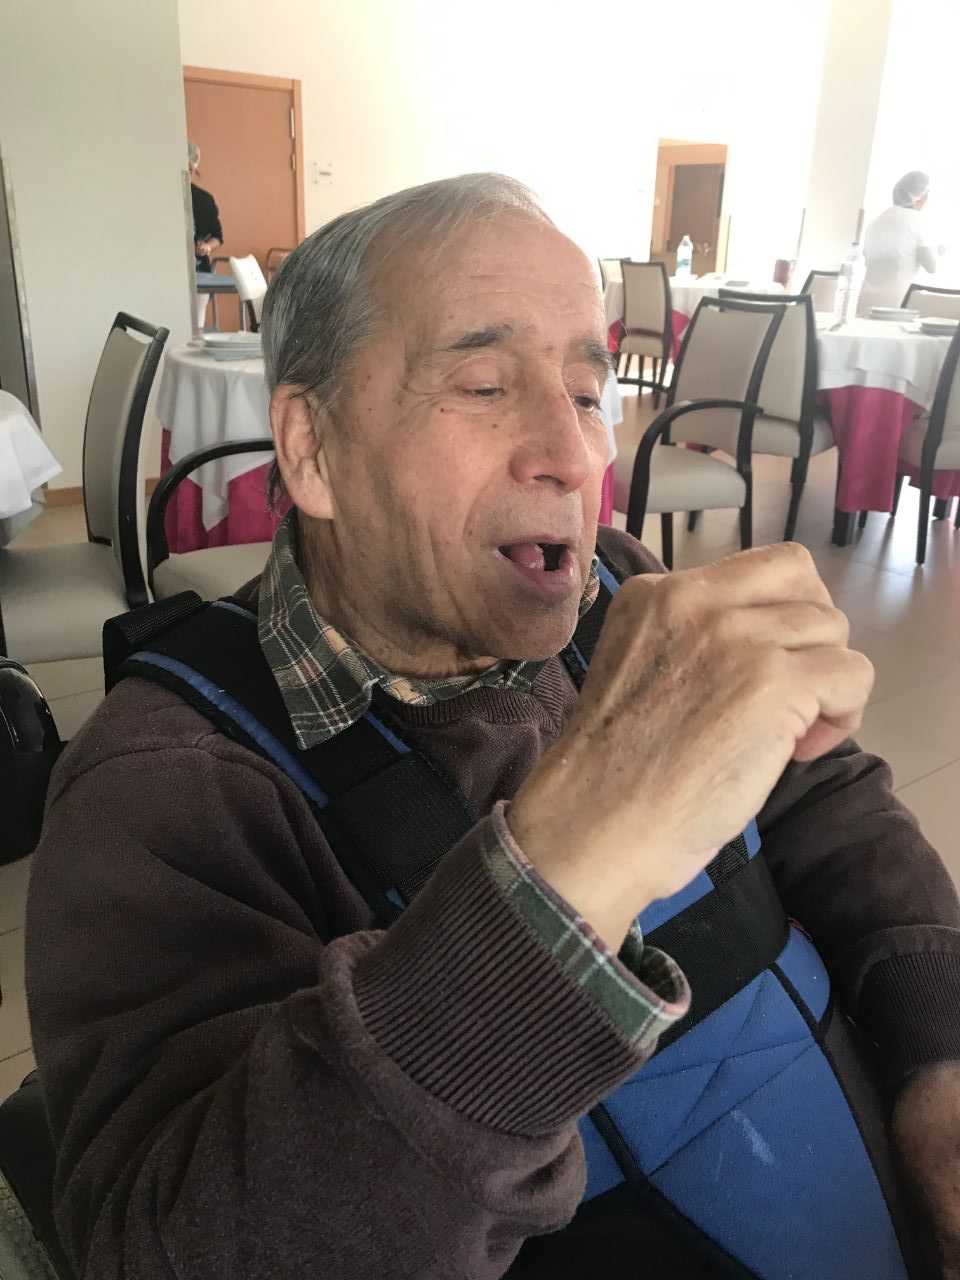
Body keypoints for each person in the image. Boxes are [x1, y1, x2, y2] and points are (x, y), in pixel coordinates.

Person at [25, 174, 960, 1279]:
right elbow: (180, 1245)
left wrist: (938, 1061)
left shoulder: (621, 594)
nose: (573, 452)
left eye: (587, 390)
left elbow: (829, 805)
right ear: (312, 449)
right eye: (482, 384)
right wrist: (577, 860)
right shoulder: (165, 790)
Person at [860, 170, 942, 313]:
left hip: (865, 300)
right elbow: (931, 267)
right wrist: (939, 251)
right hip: (896, 304)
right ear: (921, 197)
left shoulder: (877, 221)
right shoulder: (918, 222)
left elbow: (868, 259)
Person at [188, 139, 223, 272]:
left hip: (197, 269)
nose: (187, 174)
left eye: (190, 170)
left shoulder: (204, 200)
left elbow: (218, 237)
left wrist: (206, 247)